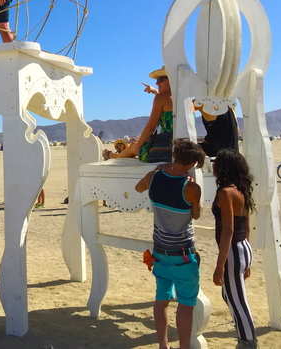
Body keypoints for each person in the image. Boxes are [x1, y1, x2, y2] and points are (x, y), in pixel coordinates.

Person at [135, 138, 204, 349]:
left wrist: (157, 171)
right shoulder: (191, 188)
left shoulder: (155, 176)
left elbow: (139, 188)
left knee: (161, 301)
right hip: (183, 255)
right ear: (192, 163)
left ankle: (163, 346)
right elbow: (196, 215)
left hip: (160, 253)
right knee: (186, 306)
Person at [212, 149, 257, 348]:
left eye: (216, 163)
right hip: (244, 247)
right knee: (229, 294)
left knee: (237, 301)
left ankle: (247, 341)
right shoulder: (240, 189)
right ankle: (244, 333)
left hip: (233, 251)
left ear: (222, 168)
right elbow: (245, 225)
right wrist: (247, 262)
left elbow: (228, 230)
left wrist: (220, 265)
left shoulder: (225, 192)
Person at [104, 66, 173, 162]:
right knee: (135, 146)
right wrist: (155, 91)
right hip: (183, 149)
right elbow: (170, 100)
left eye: (161, 79)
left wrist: (138, 145)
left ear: (171, 79)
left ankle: (112, 156)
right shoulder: (184, 97)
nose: (157, 83)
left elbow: (150, 127)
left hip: (165, 149)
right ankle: (114, 155)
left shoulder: (160, 98)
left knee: (133, 147)